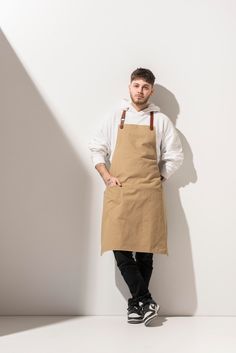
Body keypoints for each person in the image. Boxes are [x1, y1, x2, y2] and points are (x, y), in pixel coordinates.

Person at [88, 68, 184, 325]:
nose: (140, 91)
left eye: (145, 87)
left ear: (151, 91)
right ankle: (146, 299)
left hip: (148, 192)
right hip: (120, 191)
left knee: (145, 251)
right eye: (136, 85)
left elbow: (175, 156)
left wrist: (159, 178)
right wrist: (107, 176)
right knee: (120, 249)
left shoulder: (160, 121)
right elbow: (97, 148)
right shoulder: (115, 116)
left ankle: (135, 305)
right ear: (129, 87)